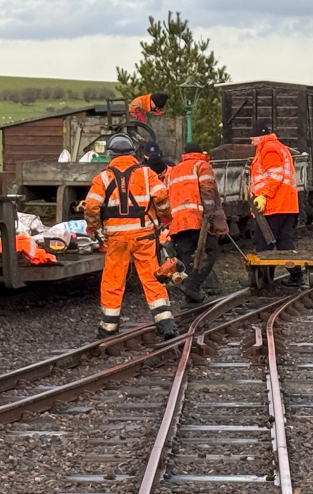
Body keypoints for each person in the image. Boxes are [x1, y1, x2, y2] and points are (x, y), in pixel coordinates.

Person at [83, 134, 178, 340]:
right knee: (152, 277)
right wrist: (165, 216)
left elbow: (91, 206)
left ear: (111, 154)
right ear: (132, 153)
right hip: (144, 236)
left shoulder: (103, 178)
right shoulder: (146, 174)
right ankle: (166, 323)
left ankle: (108, 327)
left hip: (117, 239)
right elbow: (162, 195)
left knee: (113, 279)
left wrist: (93, 227)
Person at [166, 142, 230, 302]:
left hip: (177, 222)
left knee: (187, 257)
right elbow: (207, 191)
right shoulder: (202, 165)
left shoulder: (173, 171)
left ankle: (191, 297)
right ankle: (192, 287)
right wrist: (209, 215)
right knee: (210, 253)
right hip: (197, 219)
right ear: (200, 152)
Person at [249, 121, 303, 286]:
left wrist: (263, 195)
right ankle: (296, 275)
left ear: (260, 137)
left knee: (264, 242)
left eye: (253, 138)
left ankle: (263, 279)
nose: (251, 142)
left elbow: (276, 176)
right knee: (284, 242)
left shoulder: (269, 149)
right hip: (286, 204)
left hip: (274, 205)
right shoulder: (278, 147)